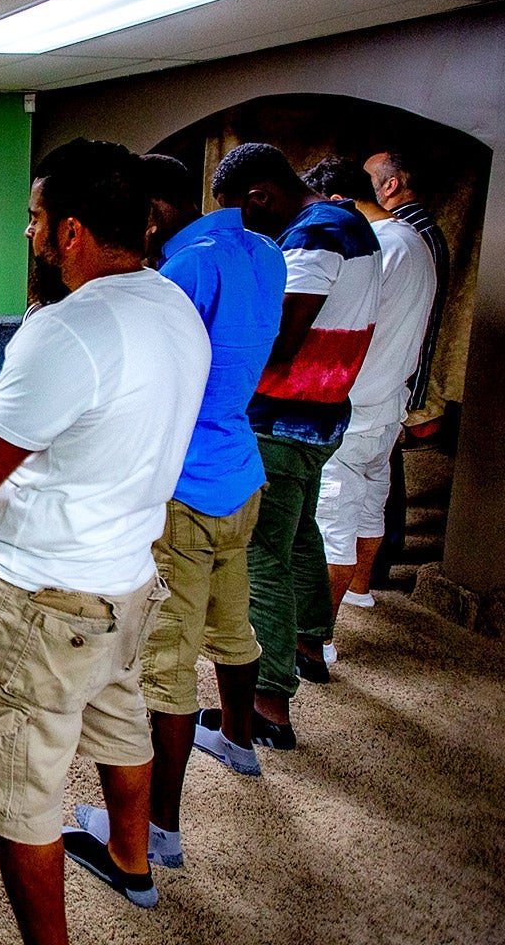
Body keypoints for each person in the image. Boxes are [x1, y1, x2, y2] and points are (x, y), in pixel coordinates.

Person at [0, 139, 209, 944]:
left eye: (34, 219)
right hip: (125, 580)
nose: (28, 234)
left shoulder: (66, 329)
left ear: (70, 232)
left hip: (42, 598)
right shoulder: (170, 309)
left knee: (20, 784)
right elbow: (95, 414)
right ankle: (132, 860)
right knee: (119, 719)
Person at [73, 155, 284, 871]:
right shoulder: (268, 255)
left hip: (185, 484)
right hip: (241, 471)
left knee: (163, 663)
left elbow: (145, 372)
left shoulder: (185, 269)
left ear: (155, 213)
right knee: (234, 620)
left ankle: (156, 831)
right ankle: (236, 741)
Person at [210, 143, 380, 748]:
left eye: (240, 214)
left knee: (260, 554)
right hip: (326, 412)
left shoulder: (313, 236)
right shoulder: (353, 224)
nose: (243, 230)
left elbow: (277, 340)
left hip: (285, 420)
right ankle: (310, 642)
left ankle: (268, 703)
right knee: (301, 529)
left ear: (259, 196)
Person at [302, 157, 435, 647]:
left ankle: (316, 640)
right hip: (388, 399)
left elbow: (346, 318)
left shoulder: (376, 246)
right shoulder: (414, 241)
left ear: (337, 202)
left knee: (329, 520)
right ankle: (359, 591)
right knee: (368, 506)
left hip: (355, 401)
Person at [363, 149, 450, 580]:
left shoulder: (408, 233)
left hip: (399, 370)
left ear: (391, 184)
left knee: (383, 467)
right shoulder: (423, 231)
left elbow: (417, 317)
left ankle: (380, 559)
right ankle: (378, 559)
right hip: (403, 369)